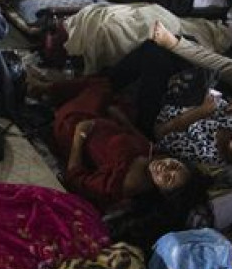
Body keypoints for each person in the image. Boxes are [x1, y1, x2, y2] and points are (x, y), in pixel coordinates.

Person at [50, 78, 198, 209]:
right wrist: (121, 118)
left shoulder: (126, 184)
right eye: (174, 165)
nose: (164, 168)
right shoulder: (154, 155)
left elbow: (75, 180)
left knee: (96, 90)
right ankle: (45, 89)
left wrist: (79, 135)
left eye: (167, 178)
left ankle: (45, 90)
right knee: (104, 85)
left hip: (75, 129)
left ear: (162, 190)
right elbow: (134, 133)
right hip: (101, 120)